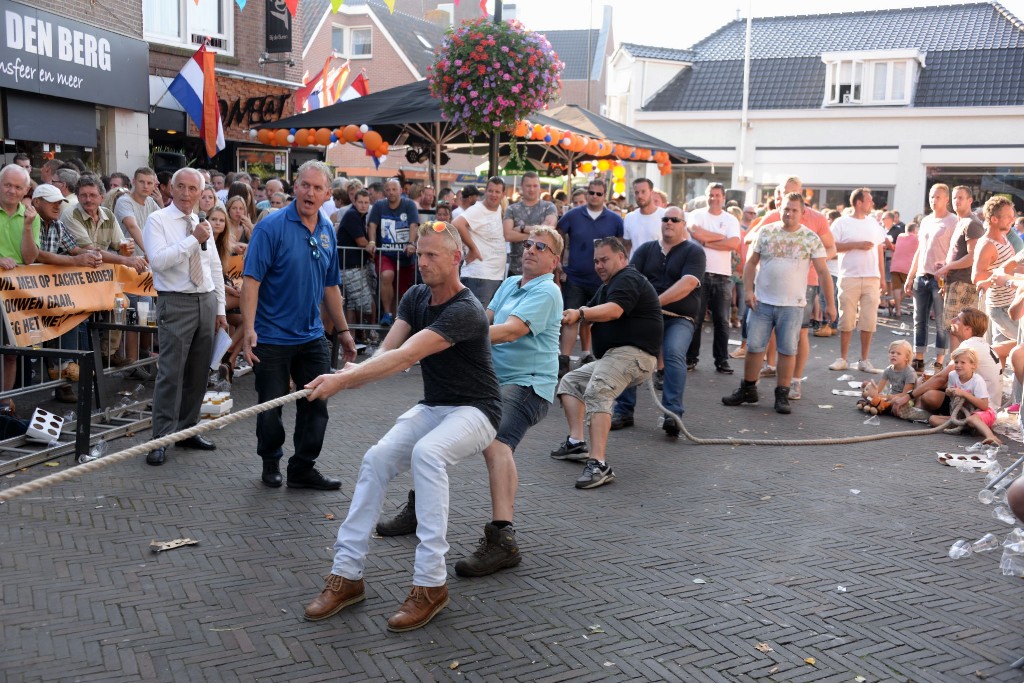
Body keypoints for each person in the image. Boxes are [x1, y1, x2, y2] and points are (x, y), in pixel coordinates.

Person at [302, 220, 501, 632]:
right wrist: (351, 371)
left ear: (456, 258)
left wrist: (343, 380)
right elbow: (388, 350)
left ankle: (431, 584)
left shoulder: (466, 310)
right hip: (435, 405)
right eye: (419, 252)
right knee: (376, 459)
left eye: (431, 255)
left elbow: (405, 358)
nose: (421, 261)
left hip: (478, 410)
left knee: (428, 455)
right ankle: (347, 574)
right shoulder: (415, 296)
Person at [375, 226, 564, 577]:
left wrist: (444, 335)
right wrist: (449, 331)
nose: (531, 250)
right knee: (436, 420)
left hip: (527, 385)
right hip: (490, 380)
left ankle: (503, 539)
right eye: (527, 244)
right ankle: (420, 508)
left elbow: (507, 331)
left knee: (495, 442)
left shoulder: (548, 291)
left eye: (541, 246)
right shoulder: (510, 283)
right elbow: (483, 318)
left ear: (555, 260)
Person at [241, 161, 356, 490]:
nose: (310, 192)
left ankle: (303, 467)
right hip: (272, 336)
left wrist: (345, 331)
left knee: (317, 404)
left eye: (317, 188)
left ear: (327, 194)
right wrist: (249, 329)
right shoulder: (271, 227)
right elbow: (252, 281)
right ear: (295, 187)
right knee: (270, 406)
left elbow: (331, 286)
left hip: (312, 336)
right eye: (305, 185)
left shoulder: (326, 230)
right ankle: (270, 461)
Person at [549, 237, 662, 489]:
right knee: (570, 382)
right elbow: (587, 314)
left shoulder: (628, 278)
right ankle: (576, 443)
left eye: (604, 259)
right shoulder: (609, 285)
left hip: (634, 355)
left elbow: (613, 310)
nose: (599, 265)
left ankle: (599, 464)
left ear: (622, 258)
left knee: (598, 390)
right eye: (596, 261)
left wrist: (580, 313)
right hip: (615, 357)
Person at [142, 168, 227, 466]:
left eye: (193, 188)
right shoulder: (158, 220)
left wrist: (220, 308)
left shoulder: (199, 221)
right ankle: (161, 437)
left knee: (199, 371)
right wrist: (193, 240)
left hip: (204, 300)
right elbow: (159, 261)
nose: (187, 193)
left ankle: (188, 429)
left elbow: (213, 266)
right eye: (181, 187)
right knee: (171, 372)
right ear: (170, 188)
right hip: (176, 301)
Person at [722, 193, 834, 414]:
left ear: (802, 213)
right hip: (762, 303)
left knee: (787, 350)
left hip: (793, 305)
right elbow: (751, 264)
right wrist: (748, 291)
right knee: (754, 348)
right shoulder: (766, 232)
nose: (789, 213)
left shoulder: (811, 238)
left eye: (794, 210)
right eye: (786, 209)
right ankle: (748, 389)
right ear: (779, 209)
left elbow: (823, 272)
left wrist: (830, 303)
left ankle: (782, 394)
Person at [610, 206, 705, 435]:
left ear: (684, 225)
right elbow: (630, 279)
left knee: (673, 352)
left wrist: (654, 301)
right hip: (646, 317)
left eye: (675, 219)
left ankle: (672, 414)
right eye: (665, 219)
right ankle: (624, 411)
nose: (669, 223)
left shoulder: (694, 252)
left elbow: (688, 283)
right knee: (629, 351)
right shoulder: (645, 250)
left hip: (679, 317)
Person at [32, 183, 104, 403]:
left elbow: (74, 248)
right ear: (36, 203)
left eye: (58, 201)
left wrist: (93, 253)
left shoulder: (57, 225)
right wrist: (76, 260)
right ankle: (50, 376)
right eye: (51, 202)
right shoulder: (30, 221)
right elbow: (36, 255)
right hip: (26, 291)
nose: (57, 206)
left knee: (72, 313)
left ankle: (65, 372)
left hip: (48, 289)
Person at [556, 178, 624, 376]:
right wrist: (559, 263)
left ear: (605, 196)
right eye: (591, 192)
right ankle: (564, 359)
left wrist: (616, 273)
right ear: (586, 194)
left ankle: (587, 354)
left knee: (591, 318)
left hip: (602, 280)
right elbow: (558, 237)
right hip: (576, 276)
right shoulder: (572, 215)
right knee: (570, 317)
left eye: (598, 193)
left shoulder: (615, 220)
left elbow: (620, 249)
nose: (594, 196)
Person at [893, 307, 1001, 419]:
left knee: (930, 396)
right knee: (923, 381)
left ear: (968, 329)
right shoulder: (979, 344)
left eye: (958, 319)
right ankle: (917, 409)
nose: (953, 320)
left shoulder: (969, 345)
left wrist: (908, 396)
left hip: (978, 407)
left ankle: (918, 411)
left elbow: (941, 378)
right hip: (983, 401)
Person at [828, 188, 887, 374]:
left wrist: (882, 277)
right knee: (846, 319)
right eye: (869, 201)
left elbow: (879, 250)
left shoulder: (873, 223)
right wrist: (856, 245)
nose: (872, 204)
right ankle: (843, 358)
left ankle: (864, 360)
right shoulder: (841, 222)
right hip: (849, 276)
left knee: (868, 320)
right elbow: (832, 246)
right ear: (859, 203)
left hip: (872, 278)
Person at [686, 183, 741, 375]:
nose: (714, 198)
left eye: (718, 195)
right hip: (699, 274)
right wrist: (720, 238)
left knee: (722, 321)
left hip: (722, 275)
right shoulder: (696, 214)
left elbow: (734, 243)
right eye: (711, 195)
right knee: (696, 319)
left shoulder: (731, 219)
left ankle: (722, 360)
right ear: (706, 196)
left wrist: (706, 240)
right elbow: (695, 232)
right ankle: (691, 358)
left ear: (723, 197)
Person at [904, 184, 957, 373]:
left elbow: (957, 250)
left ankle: (939, 360)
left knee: (942, 321)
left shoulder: (953, 221)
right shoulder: (926, 220)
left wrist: (947, 268)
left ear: (946, 199)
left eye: (938, 197)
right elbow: (920, 250)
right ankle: (919, 358)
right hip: (921, 275)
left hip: (940, 278)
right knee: (919, 319)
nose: (934, 200)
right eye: (931, 197)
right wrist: (910, 276)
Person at [935, 186, 985, 352]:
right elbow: (960, 254)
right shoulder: (961, 222)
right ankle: (955, 369)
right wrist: (945, 265)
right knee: (953, 329)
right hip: (955, 282)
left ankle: (959, 370)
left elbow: (973, 257)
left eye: (961, 198)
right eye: (955, 198)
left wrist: (948, 266)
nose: (957, 201)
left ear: (970, 200)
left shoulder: (972, 223)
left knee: (960, 330)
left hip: (965, 284)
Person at [367, 178, 420, 327]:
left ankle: (398, 321)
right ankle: (387, 313)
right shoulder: (379, 205)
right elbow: (372, 225)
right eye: (388, 190)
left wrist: (411, 243)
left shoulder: (409, 204)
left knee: (400, 290)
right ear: (384, 192)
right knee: (387, 275)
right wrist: (371, 241)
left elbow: (414, 225)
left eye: (394, 189)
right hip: (385, 253)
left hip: (405, 255)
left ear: (401, 190)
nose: (391, 192)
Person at [973, 195, 1018, 363]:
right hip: (1002, 307)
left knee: (1000, 357)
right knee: (1017, 344)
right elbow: (976, 276)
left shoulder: (1003, 236)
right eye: (1008, 216)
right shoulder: (987, 244)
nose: (1013, 219)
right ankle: (978, 356)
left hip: (1010, 302)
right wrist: (1000, 276)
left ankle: (990, 378)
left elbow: (1008, 267)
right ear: (994, 219)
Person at [927, 347, 1000, 444]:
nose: (958, 365)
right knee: (933, 419)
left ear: (973, 365)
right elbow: (952, 395)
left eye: (963, 362)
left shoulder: (977, 380)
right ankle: (966, 427)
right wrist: (949, 391)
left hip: (982, 412)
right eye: (956, 362)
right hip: (963, 414)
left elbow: (984, 405)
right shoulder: (953, 375)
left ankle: (991, 436)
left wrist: (964, 394)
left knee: (972, 418)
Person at [453, 177, 506, 307]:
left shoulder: (501, 209)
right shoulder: (478, 209)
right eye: (491, 191)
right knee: (476, 322)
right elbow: (457, 223)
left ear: (503, 194)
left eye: (497, 192)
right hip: (479, 275)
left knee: (485, 322)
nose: (493, 194)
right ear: (485, 192)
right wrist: (473, 248)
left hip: (494, 276)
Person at [503, 171, 557, 276]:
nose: (531, 189)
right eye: (528, 186)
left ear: (539, 187)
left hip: (542, 271)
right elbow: (508, 235)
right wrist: (539, 237)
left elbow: (549, 228)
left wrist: (522, 228)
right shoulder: (512, 209)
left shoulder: (549, 207)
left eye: (535, 186)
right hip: (517, 270)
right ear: (522, 187)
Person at [337, 189, 375, 333]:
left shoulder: (360, 216)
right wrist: (371, 247)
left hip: (354, 265)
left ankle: (352, 337)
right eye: (360, 202)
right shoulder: (352, 215)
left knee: (352, 305)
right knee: (367, 303)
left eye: (366, 202)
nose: (363, 205)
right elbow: (361, 242)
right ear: (354, 201)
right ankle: (372, 332)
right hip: (349, 267)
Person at [858, 340, 917, 416]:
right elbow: (879, 389)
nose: (894, 355)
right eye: (892, 352)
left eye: (898, 353)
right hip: (890, 396)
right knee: (866, 386)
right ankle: (875, 405)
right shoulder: (888, 370)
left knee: (894, 401)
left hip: (905, 400)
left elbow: (906, 395)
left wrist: (886, 397)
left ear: (907, 358)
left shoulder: (910, 373)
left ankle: (878, 406)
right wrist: (871, 391)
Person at [621, 178, 665, 258]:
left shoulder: (664, 215)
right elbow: (627, 246)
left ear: (651, 192)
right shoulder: (629, 217)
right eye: (636, 192)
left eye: (643, 192)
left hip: (658, 268)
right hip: (635, 267)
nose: (639, 196)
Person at [888, 222, 918, 319]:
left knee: (896, 288)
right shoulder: (916, 238)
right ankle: (895, 304)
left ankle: (898, 311)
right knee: (910, 287)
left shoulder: (900, 236)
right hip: (907, 267)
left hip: (895, 266)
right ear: (914, 230)